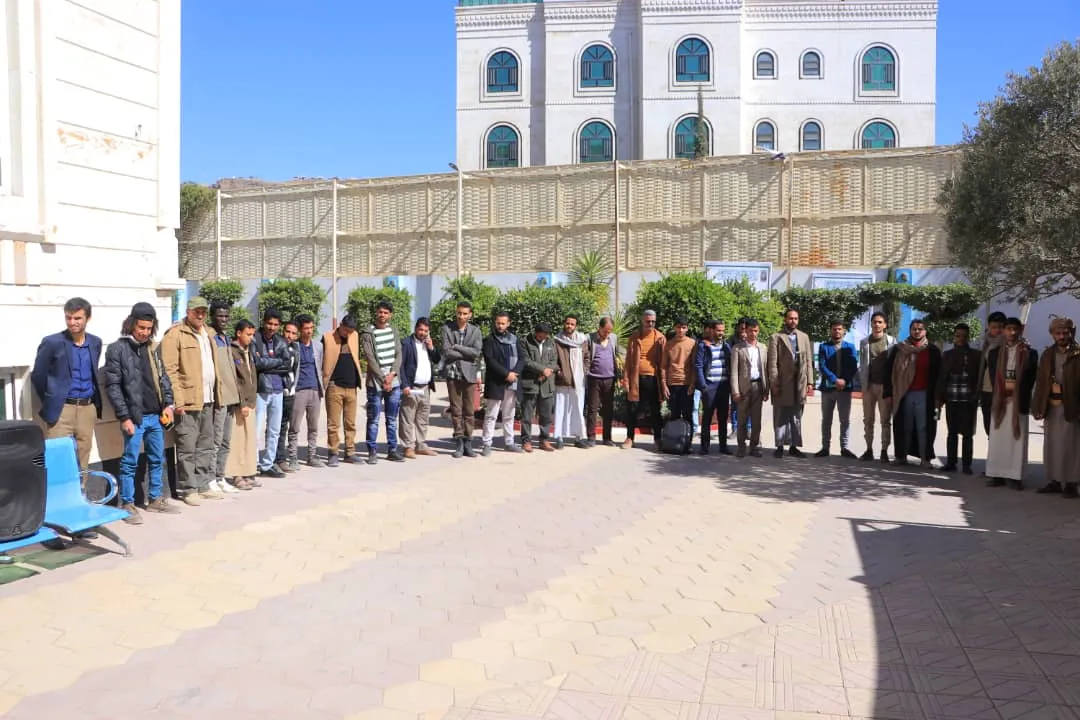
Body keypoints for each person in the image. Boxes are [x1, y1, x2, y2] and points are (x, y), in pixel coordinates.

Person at [103, 302, 178, 523]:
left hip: (156, 415)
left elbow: (164, 378)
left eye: (148, 328)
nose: (144, 332)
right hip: (134, 418)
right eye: (141, 328)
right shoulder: (117, 349)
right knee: (129, 462)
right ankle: (127, 504)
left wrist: (169, 404)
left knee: (158, 458)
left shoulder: (153, 348)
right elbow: (113, 386)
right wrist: (124, 417)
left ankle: (155, 499)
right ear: (132, 324)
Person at [160, 296, 223, 505]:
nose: (200, 315)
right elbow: (170, 370)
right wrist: (177, 401)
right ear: (188, 311)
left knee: (205, 445)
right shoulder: (176, 334)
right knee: (187, 447)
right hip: (187, 401)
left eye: (204, 311)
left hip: (208, 398)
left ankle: (204, 483)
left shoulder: (209, 334)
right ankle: (188, 488)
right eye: (196, 311)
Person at [31, 297, 103, 471]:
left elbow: (92, 374)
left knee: (84, 454)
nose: (72, 322)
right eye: (68, 318)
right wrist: (52, 400)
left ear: (88, 318)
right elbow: (38, 376)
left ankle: (81, 494)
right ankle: (59, 497)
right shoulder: (52, 342)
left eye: (77, 318)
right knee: (58, 457)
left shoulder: (95, 343)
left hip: (87, 408)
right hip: (62, 409)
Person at [985, 317, 1038, 490]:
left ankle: (1015, 476)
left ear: (1020, 330)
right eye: (1009, 329)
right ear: (1004, 330)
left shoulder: (1030, 352)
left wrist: (1017, 395)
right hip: (1001, 400)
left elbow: (1030, 379)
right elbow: (994, 377)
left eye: (1015, 329)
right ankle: (996, 474)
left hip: (1018, 401)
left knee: (1017, 439)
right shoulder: (994, 353)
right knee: (998, 437)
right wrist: (1004, 394)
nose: (1012, 333)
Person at [885, 318, 942, 469]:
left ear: (925, 331)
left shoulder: (933, 350)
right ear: (910, 330)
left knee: (924, 427)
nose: (917, 332)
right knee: (905, 426)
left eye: (920, 329)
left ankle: (925, 458)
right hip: (903, 394)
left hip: (925, 395)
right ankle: (901, 456)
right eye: (914, 329)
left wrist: (938, 397)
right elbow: (890, 372)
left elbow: (939, 375)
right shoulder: (899, 349)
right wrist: (889, 393)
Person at [1033, 317, 1080, 497]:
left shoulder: (1077, 354)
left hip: (1072, 405)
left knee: (1072, 446)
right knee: (1052, 444)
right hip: (1052, 405)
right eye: (1057, 333)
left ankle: (1071, 483)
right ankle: (1054, 481)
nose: (1061, 336)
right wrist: (1037, 405)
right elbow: (1041, 382)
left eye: (1065, 333)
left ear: (1071, 333)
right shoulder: (1047, 354)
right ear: (1052, 334)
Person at [360, 301, 404, 464]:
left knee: (392, 418)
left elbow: (399, 354)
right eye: (380, 312)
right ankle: (372, 451)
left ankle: (392, 449)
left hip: (393, 380)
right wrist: (382, 378)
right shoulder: (368, 333)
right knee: (374, 418)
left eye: (386, 312)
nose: (382, 315)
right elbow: (370, 358)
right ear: (376, 313)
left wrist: (392, 374)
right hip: (375, 382)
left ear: (390, 315)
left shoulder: (394, 331)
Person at [767, 308, 813, 458]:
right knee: (780, 414)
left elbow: (808, 361)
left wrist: (810, 382)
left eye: (796, 318)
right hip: (782, 382)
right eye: (790, 318)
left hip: (799, 382)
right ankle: (779, 446)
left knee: (796, 415)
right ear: (785, 319)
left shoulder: (804, 337)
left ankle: (794, 446)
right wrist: (774, 383)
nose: (793, 321)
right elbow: (772, 363)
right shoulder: (776, 337)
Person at [935, 323, 981, 474]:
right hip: (951, 398)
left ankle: (967, 464)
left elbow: (978, 378)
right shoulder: (947, 355)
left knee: (968, 433)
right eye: (957, 335)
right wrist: (939, 399)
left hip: (968, 398)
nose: (960, 338)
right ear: (953, 336)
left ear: (968, 337)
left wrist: (976, 396)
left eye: (964, 336)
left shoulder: (975, 355)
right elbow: (941, 378)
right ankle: (951, 462)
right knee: (952, 432)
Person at [441, 301, 483, 458]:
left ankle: (468, 441)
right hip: (453, 375)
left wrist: (457, 347)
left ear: (470, 315)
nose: (461, 316)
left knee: (469, 411)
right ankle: (458, 440)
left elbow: (476, 352)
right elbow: (446, 351)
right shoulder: (447, 329)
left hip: (469, 375)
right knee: (456, 410)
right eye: (459, 313)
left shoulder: (475, 331)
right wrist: (465, 352)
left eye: (465, 313)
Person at [208, 301, 242, 493]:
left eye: (226, 316)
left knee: (226, 441)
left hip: (231, 396)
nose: (224, 319)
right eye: (220, 316)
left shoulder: (225, 338)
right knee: (215, 440)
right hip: (218, 397)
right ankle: (211, 477)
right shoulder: (209, 337)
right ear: (213, 316)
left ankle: (220, 476)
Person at [252, 309, 290, 478]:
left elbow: (288, 364)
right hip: (261, 390)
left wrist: (267, 363)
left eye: (275, 325)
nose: (272, 327)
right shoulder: (255, 338)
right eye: (269, 323)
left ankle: (267, 464)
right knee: (257, 429)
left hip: (278, 389)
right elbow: (256, 363)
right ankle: (252, 464)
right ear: (264, 322)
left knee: (274, 430)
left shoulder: (281, 341)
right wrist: (276, 362)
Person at [481, 311, 525, 455]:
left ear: (508, 324)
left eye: (503, 323)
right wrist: (506, 374)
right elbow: (490, 360)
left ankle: (509, 442)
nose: (500, 326)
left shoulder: (514, 339)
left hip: (512, 383)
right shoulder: (490, 340)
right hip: (496, 382)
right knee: (491, 414)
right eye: (498, 323)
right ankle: (487, 443)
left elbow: (522, 358)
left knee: (509, 414)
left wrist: (514, 374)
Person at [622, 310, 666, 450]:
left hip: (653, 379)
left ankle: (658, 439)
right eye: (648, 321)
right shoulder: (634, 337)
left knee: (655, 410)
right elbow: (628, 359)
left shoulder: (660, 338)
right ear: (642, 320)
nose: (650, 324)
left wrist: (664, 383)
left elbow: (664, 363)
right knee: (632, 409)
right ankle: (630, 438)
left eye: (653, 321)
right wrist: (626, 379)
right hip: (636, 378)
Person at [322, 314, 362, 466]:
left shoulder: (355, 336)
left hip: (352, 387)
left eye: (351, 331)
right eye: (346, 330)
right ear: (340, 325)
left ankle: (350, 452)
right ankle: (333, 452)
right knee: (333, 424)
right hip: (334, 387)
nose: (348, 333)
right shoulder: (327, 337)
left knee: (350, 423)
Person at [816, 319, 859, 459]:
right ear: (830, 330)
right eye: (834, 329)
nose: (837, 331)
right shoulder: (824, 347)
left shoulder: (850, 347)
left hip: (844, 390)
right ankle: (825, 447)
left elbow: (853, 365)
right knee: (826, 420)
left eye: (839, 329)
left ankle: (845, 448)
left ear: (844, 331)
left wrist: (844, 380)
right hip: (828, 390)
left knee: (844, 420)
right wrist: (835, 380)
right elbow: (822, 366)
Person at [399, 317, 441, 458]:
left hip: (425, 387)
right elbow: (400, 366)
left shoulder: (427, 344)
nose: (423, 333)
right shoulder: (406, 343)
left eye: (426, 331)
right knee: (407, 418)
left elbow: (437, 359)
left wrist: (431, 347)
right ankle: (408, 447)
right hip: (411, 387)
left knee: (422, 418)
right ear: (416, 328)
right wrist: (404, 384)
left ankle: (421, 444)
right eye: (421, 329)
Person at [225, 319, 259, 488]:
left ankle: (247, 472)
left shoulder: (249, 350)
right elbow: (235, 380)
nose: (251, 338)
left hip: (251, 401)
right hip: (240, 404)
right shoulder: (232, 351)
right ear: (239, 333)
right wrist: (242, 402)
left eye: (252, 335)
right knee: (237, 440)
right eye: (248, 334)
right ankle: (236, 475)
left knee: (249, 439)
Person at [858, 311, 896, 462]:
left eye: (880, 322)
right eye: (874, 322)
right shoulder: (864, 342)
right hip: (869, 387)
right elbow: (862, 364)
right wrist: (862, 384)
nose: (877, 324)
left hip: (884, 387)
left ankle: (884, 450)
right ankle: (868, 449)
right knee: (868, 419)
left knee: (885, 420)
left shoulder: (892, 342)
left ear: (885, 325)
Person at [288, 314, 324, 468]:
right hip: (299, 390)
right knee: (295, 426)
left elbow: (320, 365)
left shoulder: (318, 346)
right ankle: (293, 457)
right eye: (306, 328)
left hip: (315, 389)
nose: (309, 331)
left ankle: (312, 455)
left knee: (314, 426)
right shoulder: (294, 347)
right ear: (300, 330)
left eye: (311, 327)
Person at [730, 318, 769, 457]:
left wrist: (766, 390)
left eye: (756, 331)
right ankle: (741, 447)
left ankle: (754, 446)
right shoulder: (738, 348)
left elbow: (766, 369)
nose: (753, 333)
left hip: (758, 386)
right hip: (743, 388)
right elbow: (734, 372)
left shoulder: (763, 348)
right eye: (751, 330)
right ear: (745, 331)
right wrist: (735, 391)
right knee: (742, 419)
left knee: (757, 420)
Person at [553, 314, 591, 449]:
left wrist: (584, 371)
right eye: (567, 323)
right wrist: (559, 372)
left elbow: (587, 358)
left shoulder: (582, 340)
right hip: (562, 381)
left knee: (577, 410)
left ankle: (578, 437)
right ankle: (559, 437)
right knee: (560, 410)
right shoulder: (557, 340)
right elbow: (553, 360)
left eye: (572, 324)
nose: (569, 326)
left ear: (576, 326)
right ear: (564, 324)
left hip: (578, 382)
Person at [695, 319, 732, 456]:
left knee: (723, 417)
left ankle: (723, 446)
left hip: (723, 386)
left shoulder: (726, 346)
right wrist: (703, 385)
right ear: (711, 330)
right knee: (707, 417)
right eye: (718, 330)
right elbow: (698, 366)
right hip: (709, 386)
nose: (721, 333)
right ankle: (704, 447)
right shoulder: (703, 346)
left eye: (722, 330)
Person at [519, 322, 558, 453]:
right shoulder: (525, 342)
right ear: (536, 333)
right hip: (531, 384)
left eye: (546, 335)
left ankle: (544, 440)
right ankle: (526, 441)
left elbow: (554, 361)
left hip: (547, 384)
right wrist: (542, 370)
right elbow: (526, 361)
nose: (544, 337)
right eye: (541, 335)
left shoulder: (550, 343)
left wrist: (547, 371)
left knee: (546, 415)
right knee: (527, 415)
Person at [585, 317, 620, 448]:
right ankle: (591, 437)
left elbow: (615, 355)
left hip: (610, 378)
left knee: (608, 410)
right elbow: (586, 357)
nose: (607, 334)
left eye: (609, 331)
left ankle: (607, 438)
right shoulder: (590, 338)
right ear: (599, 328)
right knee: (592, 409)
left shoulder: (614, 338)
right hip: (594, 378)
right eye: (605, 331)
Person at [274, 320, 300, 472]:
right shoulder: (277, 345)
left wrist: (293, 386)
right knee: (274, 426)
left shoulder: (295, 348)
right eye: (287, 331)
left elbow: (296, 368)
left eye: (293, 333)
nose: (289, 335)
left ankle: (281, 459)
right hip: (277, 390)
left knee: (284, 425)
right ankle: (271, 459)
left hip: (290, 392)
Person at [661, 316, 697, 425]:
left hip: (686, 383)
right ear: (674, 328)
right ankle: (675, 440)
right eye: (678, 327)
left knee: (687, 414)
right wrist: (664, 384)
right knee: (674, 414)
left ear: (687, 329)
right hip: (672, 383)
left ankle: (687, 441)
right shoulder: (669, 344)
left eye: (683, 327)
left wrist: (692, 383)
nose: (680, 330)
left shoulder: (692, 343)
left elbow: (694, 365)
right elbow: (664, 366)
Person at [977, 312, 1008, 437]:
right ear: (989, 327)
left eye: (1000, 327)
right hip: (986, 388)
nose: (997, 330)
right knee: (988, 423)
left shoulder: (1009, 344)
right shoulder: (987, 342)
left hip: (1001, 389)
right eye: (994, 327)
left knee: (1001, 425)